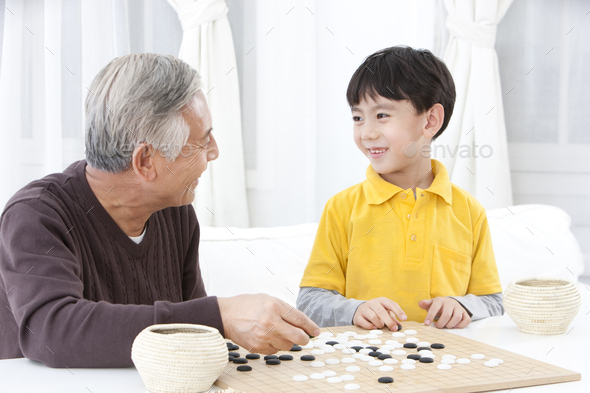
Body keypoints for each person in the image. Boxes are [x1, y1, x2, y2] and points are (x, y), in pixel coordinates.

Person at [0, 53, 319, 368]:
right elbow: (52, 332)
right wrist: (219, 315)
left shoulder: (174, 211)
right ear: (145, 161)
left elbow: (189, 334)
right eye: (202, 140)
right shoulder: (35, 216)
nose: (215, 151)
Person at [296, 46, 504, 331]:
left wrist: (463, 306)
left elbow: (493, 301)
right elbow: (309, 302)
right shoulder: (342, 208)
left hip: (445, 365)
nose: (367, 133)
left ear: (430, 121)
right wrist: (355, 310)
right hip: (364, 364)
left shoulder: (469, 211)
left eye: (382, 115)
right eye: (358, 118)